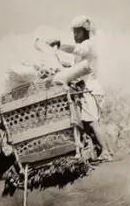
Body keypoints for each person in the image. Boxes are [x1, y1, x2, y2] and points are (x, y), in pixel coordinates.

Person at [47, 15, 113, 160]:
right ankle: (95, 150)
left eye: (78, 32)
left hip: (90, 89)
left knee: (92, 121)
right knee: (87, 122)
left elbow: (79, 50)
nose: (75, 35)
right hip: (84, 89)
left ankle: (106, 151)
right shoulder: (83, 48)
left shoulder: (88, 45)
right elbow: (76, 65)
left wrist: (60, 45)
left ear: (85, 32)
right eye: (74, 32)